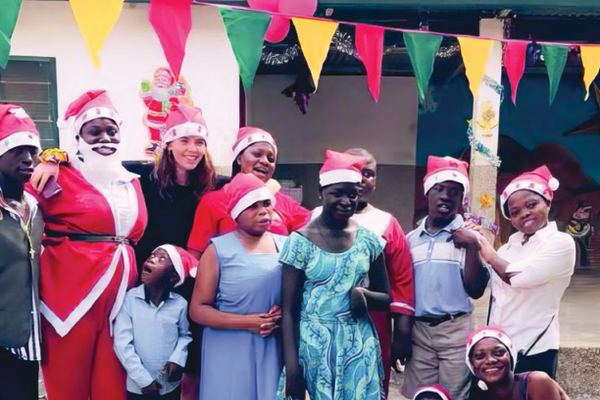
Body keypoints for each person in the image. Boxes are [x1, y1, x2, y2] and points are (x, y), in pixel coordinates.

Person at [26, 90, 148, 400]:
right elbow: (17, 203)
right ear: (78, 136)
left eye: (112, 130)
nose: (104, 138)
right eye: (94, 131)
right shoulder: (56, 174)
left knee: (112, 389)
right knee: (68, 391)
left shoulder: (131, 179)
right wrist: (50, 156)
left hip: (119, 304)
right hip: (70, 302)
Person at [278, 150, 391, 400]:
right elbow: (289, 311)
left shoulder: (370, 242)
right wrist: (293, 368)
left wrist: (364, 295)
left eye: (352, 194)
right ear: (321, 194)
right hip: (313, 349)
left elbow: (386, 298)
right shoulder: (300, 242)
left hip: (358, 349)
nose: (346, 201)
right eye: (336, 193)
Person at [312, 147, 414, 398]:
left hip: (373, 321)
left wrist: (401, 332)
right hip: (323, 322)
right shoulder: (313, 219)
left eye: (369, 173)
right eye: (356, 172)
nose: (363, 179)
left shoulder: (386, 223)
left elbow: (402, 280)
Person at [401, 156, 489, 400]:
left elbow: (476, 290)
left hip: (455, 329)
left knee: (455, 394)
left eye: (455, 191)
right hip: (419, 331)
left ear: (462, 199)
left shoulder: (472, 236)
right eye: (439, 189)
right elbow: (404, 290)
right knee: (421, 395)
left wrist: (472, 247)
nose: (445, 196)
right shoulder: (411, 240)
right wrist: (402, 333)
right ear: (427, 193)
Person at [190, 173, 284, 400]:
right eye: (253, 206)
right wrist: (248, 322)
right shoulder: (217, 250)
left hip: (271, 345)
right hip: (228, 347)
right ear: (235, 214)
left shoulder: (286, 246)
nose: (263, 211)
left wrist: (283, 311)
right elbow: (198, 309)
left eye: (266, 204)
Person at [477, 166, 575, 378]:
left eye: (532, 204)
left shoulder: (561, 243)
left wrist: (487, 251)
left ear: (547, 203)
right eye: (515, 212)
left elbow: (519, 277)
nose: (525, 213)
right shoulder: (507, 248)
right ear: (511, 219)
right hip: (499, 349)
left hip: (535, 347)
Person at [187, 126, 311, 258]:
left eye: (271, 159)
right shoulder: (213, 201)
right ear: (239, 158)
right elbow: (195, 255)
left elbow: (314, 229)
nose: (264, 161)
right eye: (257, 154)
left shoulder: (283, 201)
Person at [0, 104, 43, 400]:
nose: (29, 159)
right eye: (17, 150)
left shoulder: (39, 206)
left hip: (29, 340)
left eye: (33, 150)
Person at [114, 245, 195, 400]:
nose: (152, 258)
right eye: (152, 254)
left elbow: (185, 335)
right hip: (138, 387)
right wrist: (144, 381)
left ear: (173, 277)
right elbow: (122, 343)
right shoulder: (130, 299)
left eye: (161, 258)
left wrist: (177, 359)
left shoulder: (180, 304)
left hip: (169, 386)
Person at [466, 326, 570, 400]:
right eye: (479, 356)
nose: (490, 360)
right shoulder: (484, 395)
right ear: (472, 365)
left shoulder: (536, 382)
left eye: (498, 352)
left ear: (511, 356)